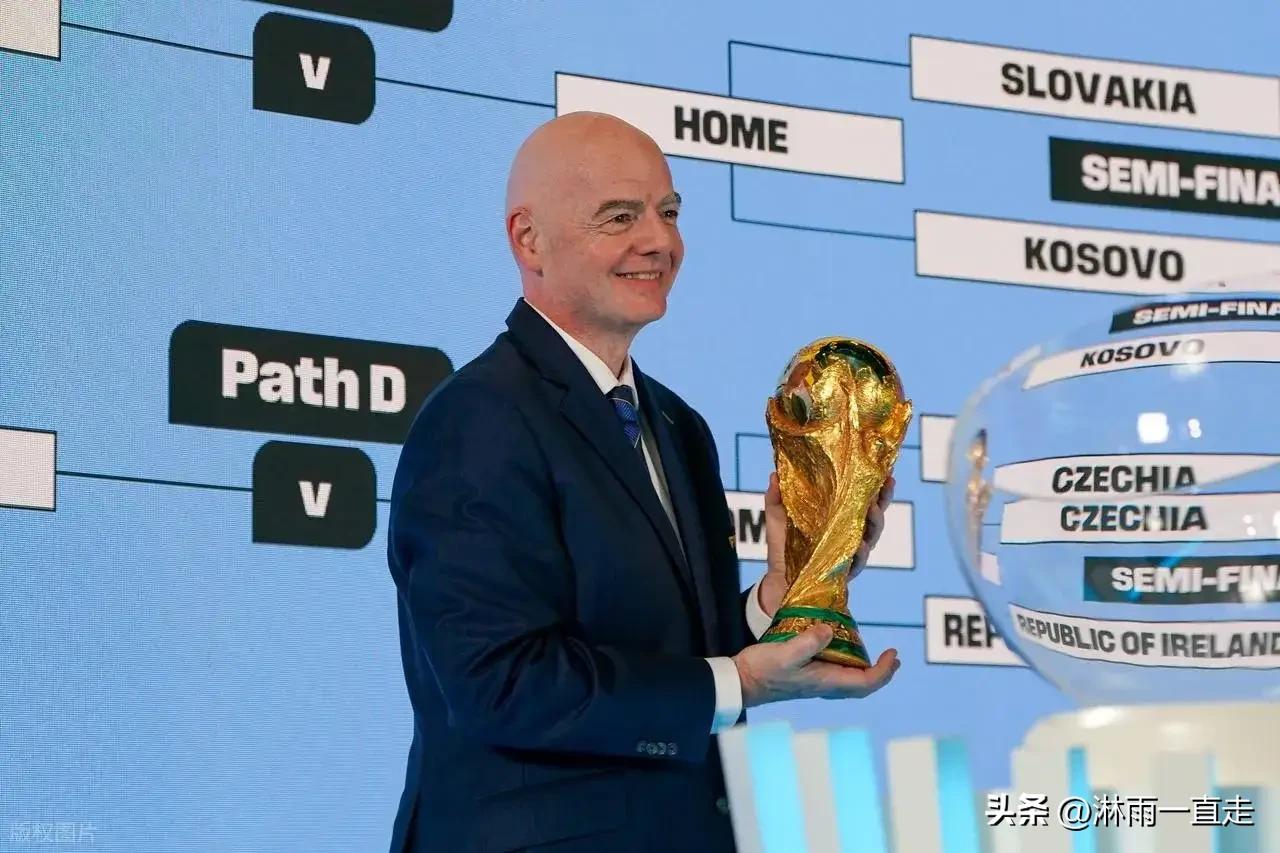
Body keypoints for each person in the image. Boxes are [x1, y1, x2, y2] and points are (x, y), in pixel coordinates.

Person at [386, 111, 901, 853]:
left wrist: (783, 598)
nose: (659, 241)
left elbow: (679, 653)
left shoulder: (678, 425)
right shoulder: (477, 418)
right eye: (620, 216)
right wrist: (739, 684)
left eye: (669, 212)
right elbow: (501, 683)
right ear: (528, 240)